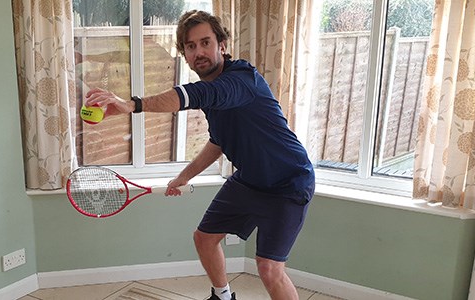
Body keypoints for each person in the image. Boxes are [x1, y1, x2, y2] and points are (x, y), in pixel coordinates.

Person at [84, 10, 315, 300]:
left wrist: (132, 105)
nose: (199, 52)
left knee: (269, 268)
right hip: (249, 180)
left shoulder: (242, 79)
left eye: (205, 42)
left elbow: (199, 94)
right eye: (191, 46)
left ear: (222, 45)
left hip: (288, 182)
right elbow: (218, 142)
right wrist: (183, 176)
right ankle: (222, 296)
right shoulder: (214, 93)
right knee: (204, 239)